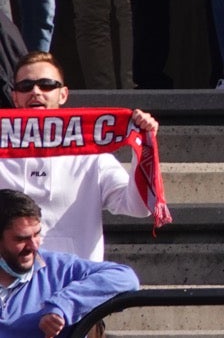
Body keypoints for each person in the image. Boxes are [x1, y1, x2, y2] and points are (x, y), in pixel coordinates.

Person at [0, 52, 154, 260]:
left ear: (63, 94)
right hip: (11, 286)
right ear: (15, 97)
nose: (36, 92)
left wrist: (142, 146)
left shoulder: (93, 156)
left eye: (46, 85)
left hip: (75, 285)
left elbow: (140, 207)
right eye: (25, 86)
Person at [0, 189, 138, 338]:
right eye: (21, 239)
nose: (34, 246)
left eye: (37, 234)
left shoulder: (60, 269)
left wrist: (63, 305)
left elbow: (126, 278)